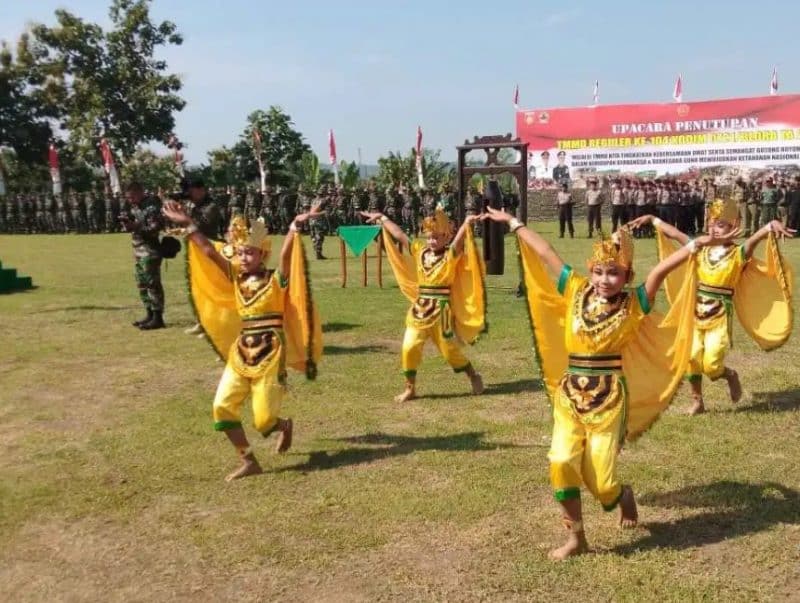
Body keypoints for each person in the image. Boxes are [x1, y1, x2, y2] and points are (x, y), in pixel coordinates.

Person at [484, 205, 720, 560]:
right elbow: (546, 253)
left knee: (602, 483)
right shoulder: (575, 289)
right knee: (561, 461)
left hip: (609, 399)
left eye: (614, 273)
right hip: (569, 395)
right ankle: (577, 538)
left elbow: (659, 271)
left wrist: (693, 246)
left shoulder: (634, 303)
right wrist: (514, 223)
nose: (604, 279)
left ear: (626, 276)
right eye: (598, 271)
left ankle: (623, 496)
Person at [161, 202, 322, 481]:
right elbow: (209, 251)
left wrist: (295, 227)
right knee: (221, 408)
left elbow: (286, 258)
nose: (244, 257)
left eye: (250, 252)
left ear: (262, 253)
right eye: (240, 252)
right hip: (241, 352)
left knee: (264, 421)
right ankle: (249, 460)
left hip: (271, 352)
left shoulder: (275, 280)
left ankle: (283, 425)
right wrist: (188, 224)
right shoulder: (236, 277)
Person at [629, 198, 794, 415]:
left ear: (733, 227)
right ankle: (698, 401)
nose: (714, 229)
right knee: (691, 357)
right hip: (695, 313)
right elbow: (676, 235)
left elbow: (757, 237)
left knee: (712, 363)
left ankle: (730, 375)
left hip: (719, 315)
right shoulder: (700, 250)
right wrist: (652, 219)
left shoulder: (739, 253)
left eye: (721, 224)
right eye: (712, 223)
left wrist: (772, 225)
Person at [361, 207, 486, 403]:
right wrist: (383, 218)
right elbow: (400, 235)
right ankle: (410, 388)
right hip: (419, 310)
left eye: (436, 237)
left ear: (446, 237)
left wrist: (467, 223)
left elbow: (460, 240)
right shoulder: (419, 251)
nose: (431, 240)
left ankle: (473, 375)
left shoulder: (451, 255)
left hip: (442, 311)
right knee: (409, 347)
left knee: (449, 350)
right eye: (429, 237)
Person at [120, 182, 166, 330]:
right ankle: (149, 314)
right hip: (138, 250)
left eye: (132, 197)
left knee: (152, 284)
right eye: (128, 198)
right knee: (142, 283)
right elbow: (136, 225)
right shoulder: (135, 207)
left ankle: (158, 318)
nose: (130, 200)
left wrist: (136, 227)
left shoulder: (151, 207)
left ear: (140, 192)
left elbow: (154, 229)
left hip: (150, 250)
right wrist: (128, 225)